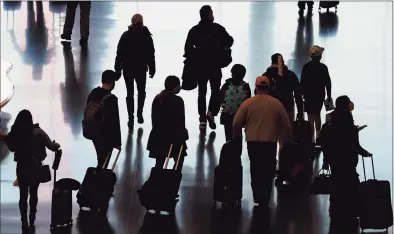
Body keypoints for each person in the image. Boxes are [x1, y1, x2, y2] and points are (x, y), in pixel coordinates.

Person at [232, 76, 291, 208]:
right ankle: (265, 197)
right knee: (268, 170)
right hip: (270, 141)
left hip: (253, 141)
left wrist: (236, 137)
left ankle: (257, 196)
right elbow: (286, 124)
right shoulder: (276, 103)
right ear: (269, 87)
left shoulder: (248, 103)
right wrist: (286, 139)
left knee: (256, 169)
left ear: (255, 88)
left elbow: (236, 122)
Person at [0, 110, 60, 233]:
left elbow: (11, 147)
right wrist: (56, 145)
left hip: (22, 168)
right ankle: (32, 218)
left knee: (23, 195)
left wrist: (5, 137)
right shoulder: (38, 132)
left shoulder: (16, 133)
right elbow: (51, 146)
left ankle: (23, 220)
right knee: (33, 193)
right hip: (35, 168)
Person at [317, 95, 371, 222]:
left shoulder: (328, 124)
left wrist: (325, 161)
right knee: (351, 185)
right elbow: (355, 146)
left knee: (336, 184)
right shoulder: (349, 125)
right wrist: (365, 153)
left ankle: (335, 210)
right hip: (349, 161)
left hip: (334, 161)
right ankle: (352, 211)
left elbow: (323, 143)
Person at [184, 5, 234, 131]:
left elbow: (188, 48)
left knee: (202, 92)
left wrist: (197, 56)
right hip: (215, 65)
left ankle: (202, 119)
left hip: (200, 66)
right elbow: (230, 41)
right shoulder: (217, 29)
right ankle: (211, 112)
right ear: (210, 14)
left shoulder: (195, 30)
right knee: (215, 90)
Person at [114, 14, 156, 129]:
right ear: (142, 22)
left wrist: (117, 69)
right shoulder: (146, 36)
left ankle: (130, 117)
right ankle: (140, 113)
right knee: (141, 91)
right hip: (141, 68)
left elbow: (119, 54)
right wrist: (152, 68)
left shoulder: (126, 36)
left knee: (129, 93)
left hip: (128, 68)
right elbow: (150, 54)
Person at [147, 76, 188, 172]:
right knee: (179, 160)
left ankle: (156, 182)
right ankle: (172, 181)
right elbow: (180, 120)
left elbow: (154, 118)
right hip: (174, 137)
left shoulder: (158, 98)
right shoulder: (178, 100)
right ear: (176, 87)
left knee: (159, 163)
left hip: (158, 136)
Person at [86, 70, 121, 168]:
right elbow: (114, 121)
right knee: (104, 161)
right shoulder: (111, 99)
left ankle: (98, 178)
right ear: (112, 82)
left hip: (93, 131)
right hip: (106, 134)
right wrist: (117, 142)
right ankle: (98, 180)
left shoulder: (93, 93)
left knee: (100, 158)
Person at [300, 45, 332, 143]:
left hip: (308, 96)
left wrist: (301, 95)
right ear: (320, 56)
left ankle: (310, 137)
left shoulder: (306, 67)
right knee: (317, 114)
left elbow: (302, 83)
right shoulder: (323, 68)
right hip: (319, 96)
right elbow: (328, 82)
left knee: (310, 116)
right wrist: (329, 96)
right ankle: (318, 135)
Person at [263, 53, 304, 123]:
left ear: (272, 62)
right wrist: (300, 112)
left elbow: (260, 93)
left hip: (270, 110)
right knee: (287, 132)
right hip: (287, 109)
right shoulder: (291, 75)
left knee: (271, 132)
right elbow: (298, 94)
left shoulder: (266, 76)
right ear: (282, 62)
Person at [219, 64, 251, 141]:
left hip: (227, 116)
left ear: (232, 73)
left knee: (228, 136)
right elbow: (249, 102)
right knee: (238, 136)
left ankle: (229, 149)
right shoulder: (245, 86)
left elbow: (219, 97)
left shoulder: (226, 84)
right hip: (240, 116)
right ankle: (237, 150)